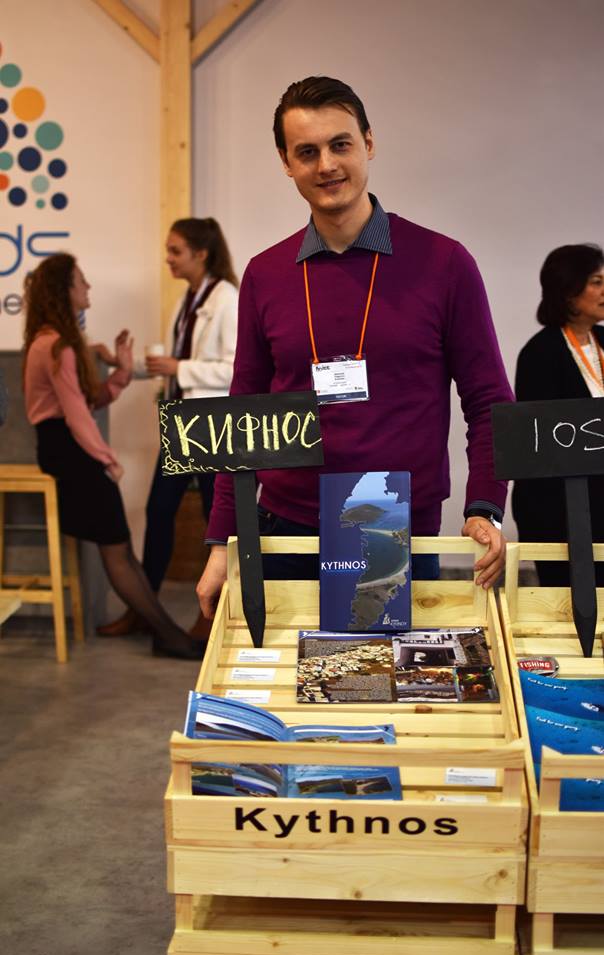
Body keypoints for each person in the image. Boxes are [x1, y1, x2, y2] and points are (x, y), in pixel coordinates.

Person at [197, 75, 513, 620]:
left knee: (387, 675)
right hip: (286, 529)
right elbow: (243, 412)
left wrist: (484, 505)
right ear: (286, 162)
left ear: (368, 142)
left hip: (398, 529)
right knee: (291, 676)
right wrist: (222, 541)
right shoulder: (265, 274)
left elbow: (488, 401)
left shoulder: (443, 263)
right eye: (307, 152)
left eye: (340, 144)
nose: (326, 165)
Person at [23, 253, 203, 659]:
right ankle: (167, 635)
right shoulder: (56, 346)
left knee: (119, 547)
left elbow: (88, 402)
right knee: (117, 548)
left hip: (66, 447)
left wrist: (121, 370)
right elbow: (76, 416)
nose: (88, 287)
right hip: (68, 451)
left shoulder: (55, 342)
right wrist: (107, 459)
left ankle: (165, 633)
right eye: (81, 280)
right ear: (64, 290)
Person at [97, 218, 238, 638]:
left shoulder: (227, 298)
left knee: (216, 523)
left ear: (201, 253)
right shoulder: (186, 300)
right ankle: (145, 606)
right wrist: (128, 365)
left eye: (175, 251)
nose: (168, 259)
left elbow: (235, 368)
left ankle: (211, 615)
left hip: (211, 424)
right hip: (182, 422)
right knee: (159, 512)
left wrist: (180, 368)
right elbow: (175, 364)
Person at [512, 243, 604, 585]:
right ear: (568, 290)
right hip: (562, 510)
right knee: (569, 600)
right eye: (596, 282)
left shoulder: (603, 339)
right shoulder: (540, 353)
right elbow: (539, 444)